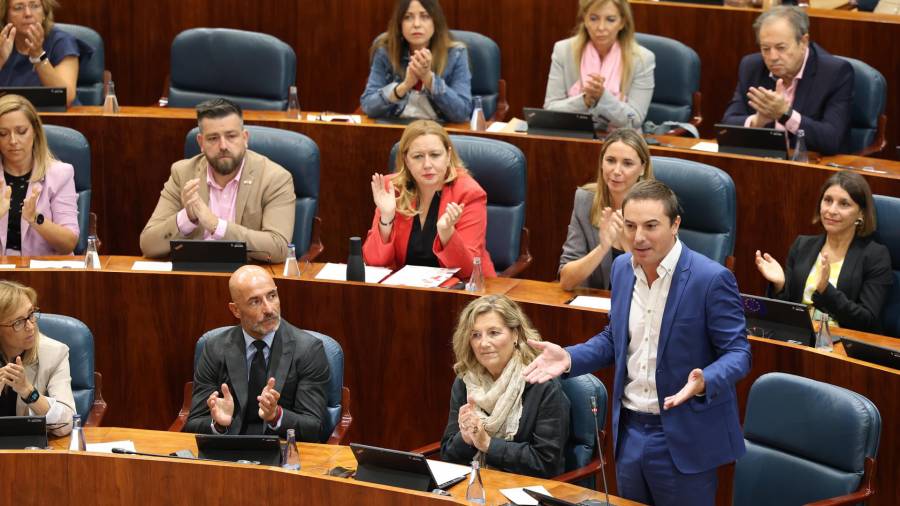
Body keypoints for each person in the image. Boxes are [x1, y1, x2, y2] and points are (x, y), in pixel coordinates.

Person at [524, 180, 751, 506]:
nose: (639, 236)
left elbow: (739, 353)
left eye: (651, 226)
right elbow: (614, 338)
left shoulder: (710, 279)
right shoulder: (621, 268)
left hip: (684, 434)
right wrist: (570, 358)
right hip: (630, 430)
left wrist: (705, 381)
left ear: (675, 225)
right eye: (630, 226)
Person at [140, 98, 295, 263]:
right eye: (213, 138)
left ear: (245, 138)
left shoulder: (275, 178)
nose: (223, 146)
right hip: (193, 276)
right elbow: (149, 245)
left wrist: (216, 225)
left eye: (231, 136)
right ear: (201, 142)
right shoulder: (182, 173)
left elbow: (278, 248)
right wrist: (188, 217)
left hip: (247, 275)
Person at [184, 265, 330, 440]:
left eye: (272, 296)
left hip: (280, 453)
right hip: (229, 451)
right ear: (235, 310)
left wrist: (276, 416)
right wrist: (218, 425)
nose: (269, 309)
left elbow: (314, 428)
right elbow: (193, 424)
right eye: (255, 301)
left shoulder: (308, 350)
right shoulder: (215, 347)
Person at [440, 295, 569, 478]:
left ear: (515, 334)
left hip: (525, 490)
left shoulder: (542, 384)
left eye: (494, 333)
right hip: (474, 486)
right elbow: (448, 455)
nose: (483, 343)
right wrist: (466, 439)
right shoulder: (465, 382)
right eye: (475, 335)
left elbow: (545, 463)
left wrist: (487, 444)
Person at [755, 170, 892, 333]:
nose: (832, 210)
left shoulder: (875, 256)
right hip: (800, 338)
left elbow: (867, 321)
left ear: (861, 213)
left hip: (842, 346)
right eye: (828, 200)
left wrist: (827, 291)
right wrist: (780, 285)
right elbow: (787, 312)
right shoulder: (802, 245)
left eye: (844, 204)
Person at [363, 119, 495, 279]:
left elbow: (467, 272)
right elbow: (373, 263)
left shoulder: (468, 193)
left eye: (435, 155)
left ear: (448, 156)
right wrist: (386, 218)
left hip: (460, 293)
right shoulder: (393, 189)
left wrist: (447, 233)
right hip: (404, 290)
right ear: (406, 160)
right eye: (418, 156)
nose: (427, 164)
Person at [721, 6, 853, 156]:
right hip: (762, 165)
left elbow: (831, 140)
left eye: (781, 47)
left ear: (803, 42)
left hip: (811, 167)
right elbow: (726, 126)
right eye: (765, 48)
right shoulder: (752, 67)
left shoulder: (834, 73)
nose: (772, 57)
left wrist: (785, 115)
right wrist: (757, 121)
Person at [559, 128, 654, 290]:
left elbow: (658, 282)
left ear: (642, 168)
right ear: (602, 163)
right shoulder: (585, 200)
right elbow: (566, 281)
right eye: (610, 160)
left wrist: (625, 239)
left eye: (627, 163)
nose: (616, 171)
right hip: (595, 309)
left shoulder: (657, 208)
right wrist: (602, 247)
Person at [543, 0, 655, 130]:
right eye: (594, 18)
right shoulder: (563, 51)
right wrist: (585, 100)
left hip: (621, 142)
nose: (601, 27)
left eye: (610, 20)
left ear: (622, 22)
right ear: (585, 19)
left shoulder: (642, 59)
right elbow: (550, 110)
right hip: (573, 137)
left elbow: (635, 119)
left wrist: (603, 97)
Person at [360, 0, 472, 123]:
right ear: (399, 23)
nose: (416, 24)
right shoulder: (386, 52)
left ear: (435, 21)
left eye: (425, 16)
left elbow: (462, 112)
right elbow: (368, 106)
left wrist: (429, 80)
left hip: (440, 133)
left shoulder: (455, 54)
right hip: (395, 130)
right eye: (408, 17)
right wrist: (404, 86)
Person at [0, 93, 78, 255]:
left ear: (35, 131)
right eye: (3, 133)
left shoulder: (60, 174)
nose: (13, 140)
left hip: (42, 272)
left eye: (21, 131)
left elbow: (68, 244)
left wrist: (35, 218)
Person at [0, 280, 75, 436]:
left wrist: (28, 392)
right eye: (18, 322)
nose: (30, 326)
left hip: (29, 452)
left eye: (31, 314)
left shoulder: (54, 354)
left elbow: (66, 423)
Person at [0, 0, 93, 107]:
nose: (28, 13)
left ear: (44, 12)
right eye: (18, 8)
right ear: (5, 15)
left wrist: (38, 57)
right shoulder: (2, 43)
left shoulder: (61, 42)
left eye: (34, 6)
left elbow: (66, 97)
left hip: (57, 119)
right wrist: (1, 60)